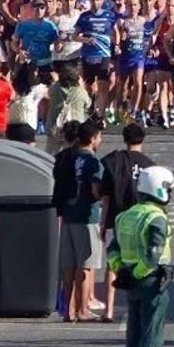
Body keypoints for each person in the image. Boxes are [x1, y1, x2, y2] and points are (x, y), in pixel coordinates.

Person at [106, 164, 174, 347]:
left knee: (134, 336)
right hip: (151, 284)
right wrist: (139, 274)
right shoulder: (156, 218)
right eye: (168, 190)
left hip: (131, 283)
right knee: (151, 337)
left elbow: (112, 250)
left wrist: (123, 271)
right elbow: (153, 255)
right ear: (159, 190)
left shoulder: (124, 216)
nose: (170, 194)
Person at [100, 123, 156, 323]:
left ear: (124, 139)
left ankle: (108, 309)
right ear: (143, 139)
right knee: (142, 261)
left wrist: (102, 223)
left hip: (119, 218)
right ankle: (139, 304)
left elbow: (105, 197)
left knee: (113, 261)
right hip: (143, 219)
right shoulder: (150, 165)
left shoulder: (113, 161)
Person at [58, 119, 106, 322]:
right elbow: (96, 189)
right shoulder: (93, 161)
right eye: (100, 137)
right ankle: (82, 309)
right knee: (86, 265)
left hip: (68, 214)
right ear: (93, 139)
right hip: (87, 216)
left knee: (69, 265)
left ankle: (67, 310)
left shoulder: (67, 156)